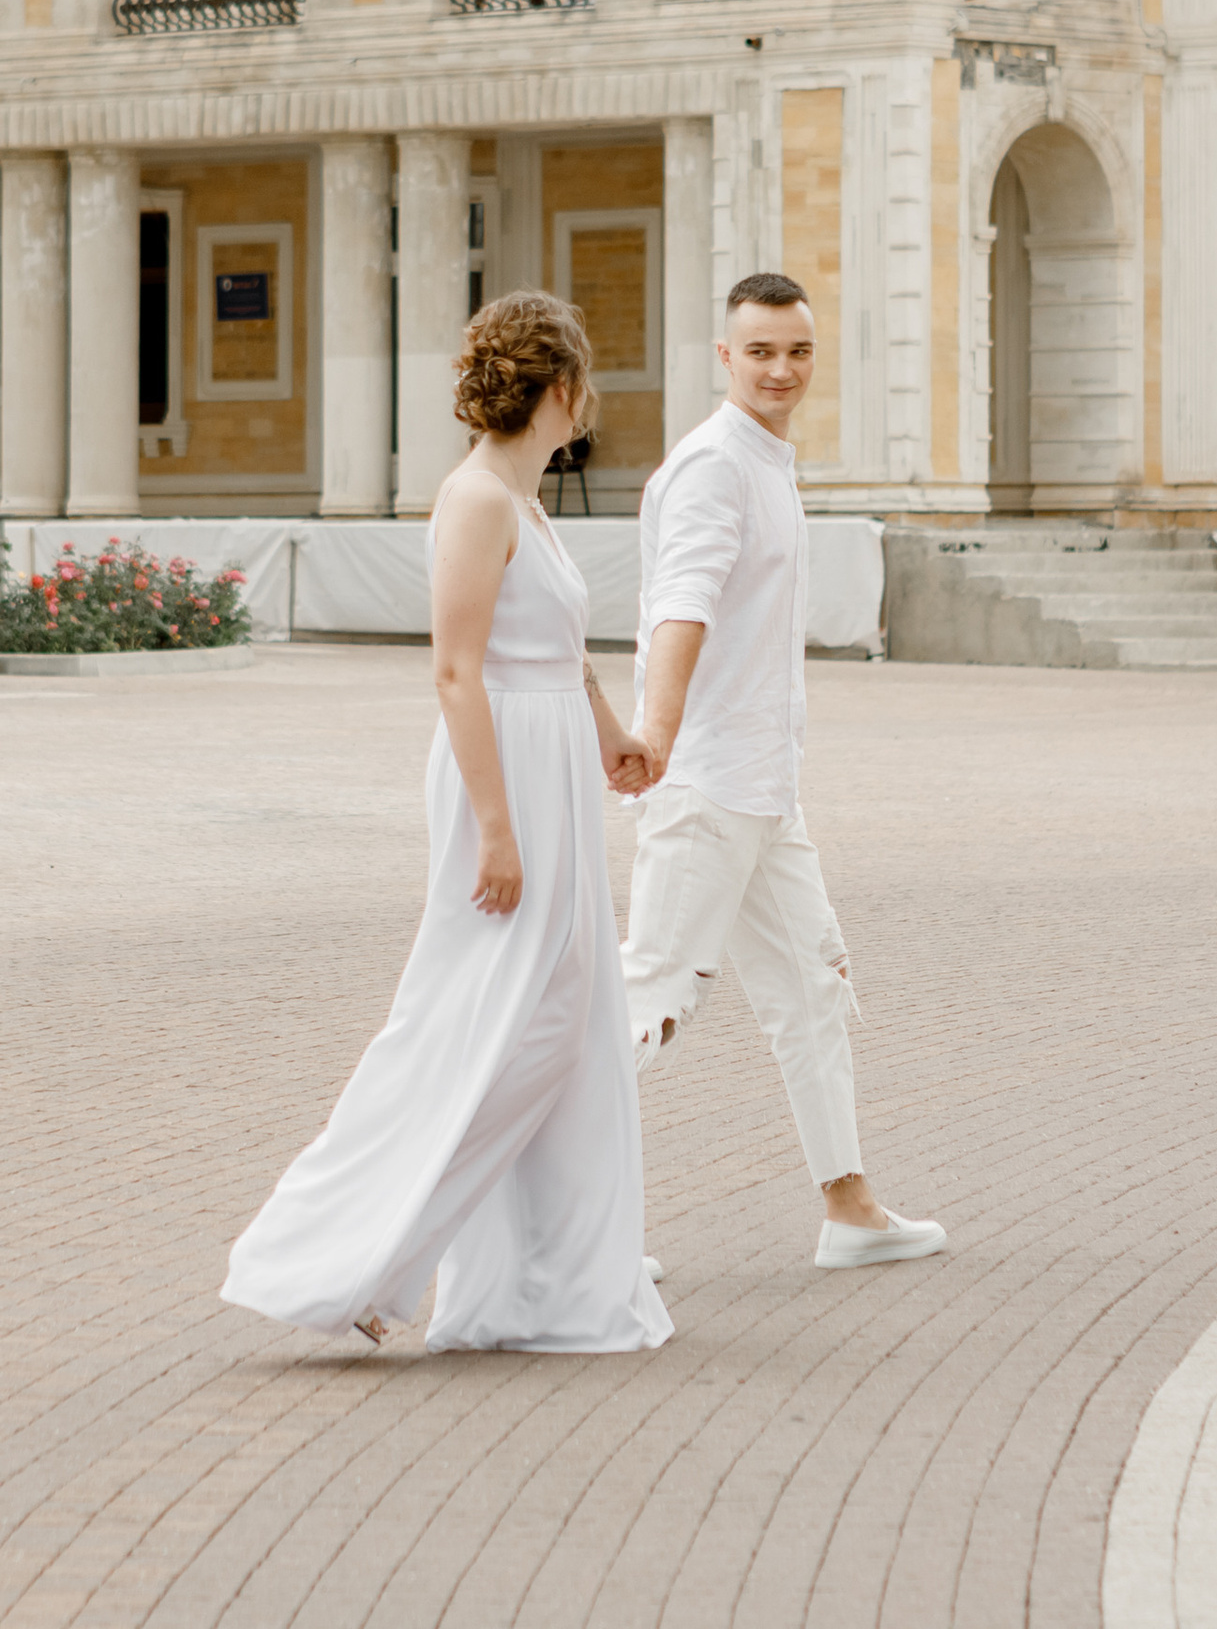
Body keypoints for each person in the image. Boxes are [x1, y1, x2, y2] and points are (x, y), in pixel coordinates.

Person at [222, 293, 671, 1355]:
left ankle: (529, 1275)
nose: (587, 403)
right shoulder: (475, 499)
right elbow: (456, 671)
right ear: (558, 388)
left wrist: (612, 736)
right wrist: (496, 830)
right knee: (490, 1021)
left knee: (562, 1022)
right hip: (502, 768)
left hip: (553, 756)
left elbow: (559, 648)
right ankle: (360, 1257)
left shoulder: (526, 501)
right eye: (585, 384)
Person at [619, 271, 947, 1270]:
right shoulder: (715, 466)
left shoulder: (766, 461)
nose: (780, 368)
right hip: (708, 785)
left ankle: (850, 1210)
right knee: (648, 1004)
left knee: (813, 990)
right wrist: (657, 735)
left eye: (797, 350)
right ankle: (563, 1224)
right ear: (725, 356)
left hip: (765, 791)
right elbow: (684, 603)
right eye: (759, 350)